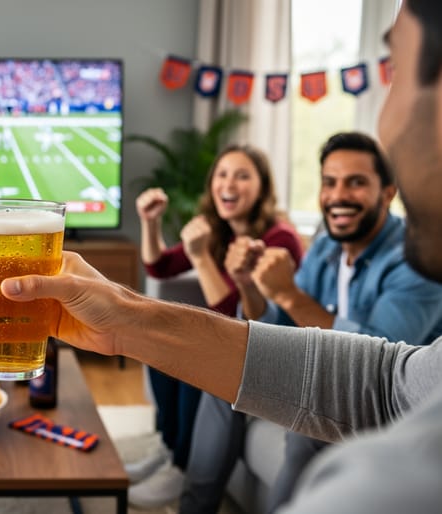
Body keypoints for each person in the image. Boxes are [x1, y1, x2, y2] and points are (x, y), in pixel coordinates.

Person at [0, 2, 442, 511]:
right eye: (328, 182)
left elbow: (356, 357)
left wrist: (271, 288)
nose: (386, 118)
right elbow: (385, 384)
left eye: (394, 72)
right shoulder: (323, 248)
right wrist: (125, 319)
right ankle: (180, 472)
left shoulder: (285, 240)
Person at [180, 132, 442, 514]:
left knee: (310, 433)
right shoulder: (326, 245)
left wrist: (287, 294)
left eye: (356, 183)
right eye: (329, 182)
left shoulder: (415, 258)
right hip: (334, 378)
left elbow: (380, 368)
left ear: (387, 194)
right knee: (224, 373)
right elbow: (281, 326)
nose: (338, 196)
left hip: (393, 405)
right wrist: (247, 287)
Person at [130, 145, 303, 507]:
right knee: (159, 345)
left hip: (267, 349)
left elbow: (238, 320)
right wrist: (150, 222)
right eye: (222, 174)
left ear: (262, 187)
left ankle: (179, 467)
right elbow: (159, 267)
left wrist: (199, 256)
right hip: (242, 342)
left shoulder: (278, 239)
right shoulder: (219, 230)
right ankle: (171, 449)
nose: (229, 184)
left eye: (243, 175)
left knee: (203, 355)